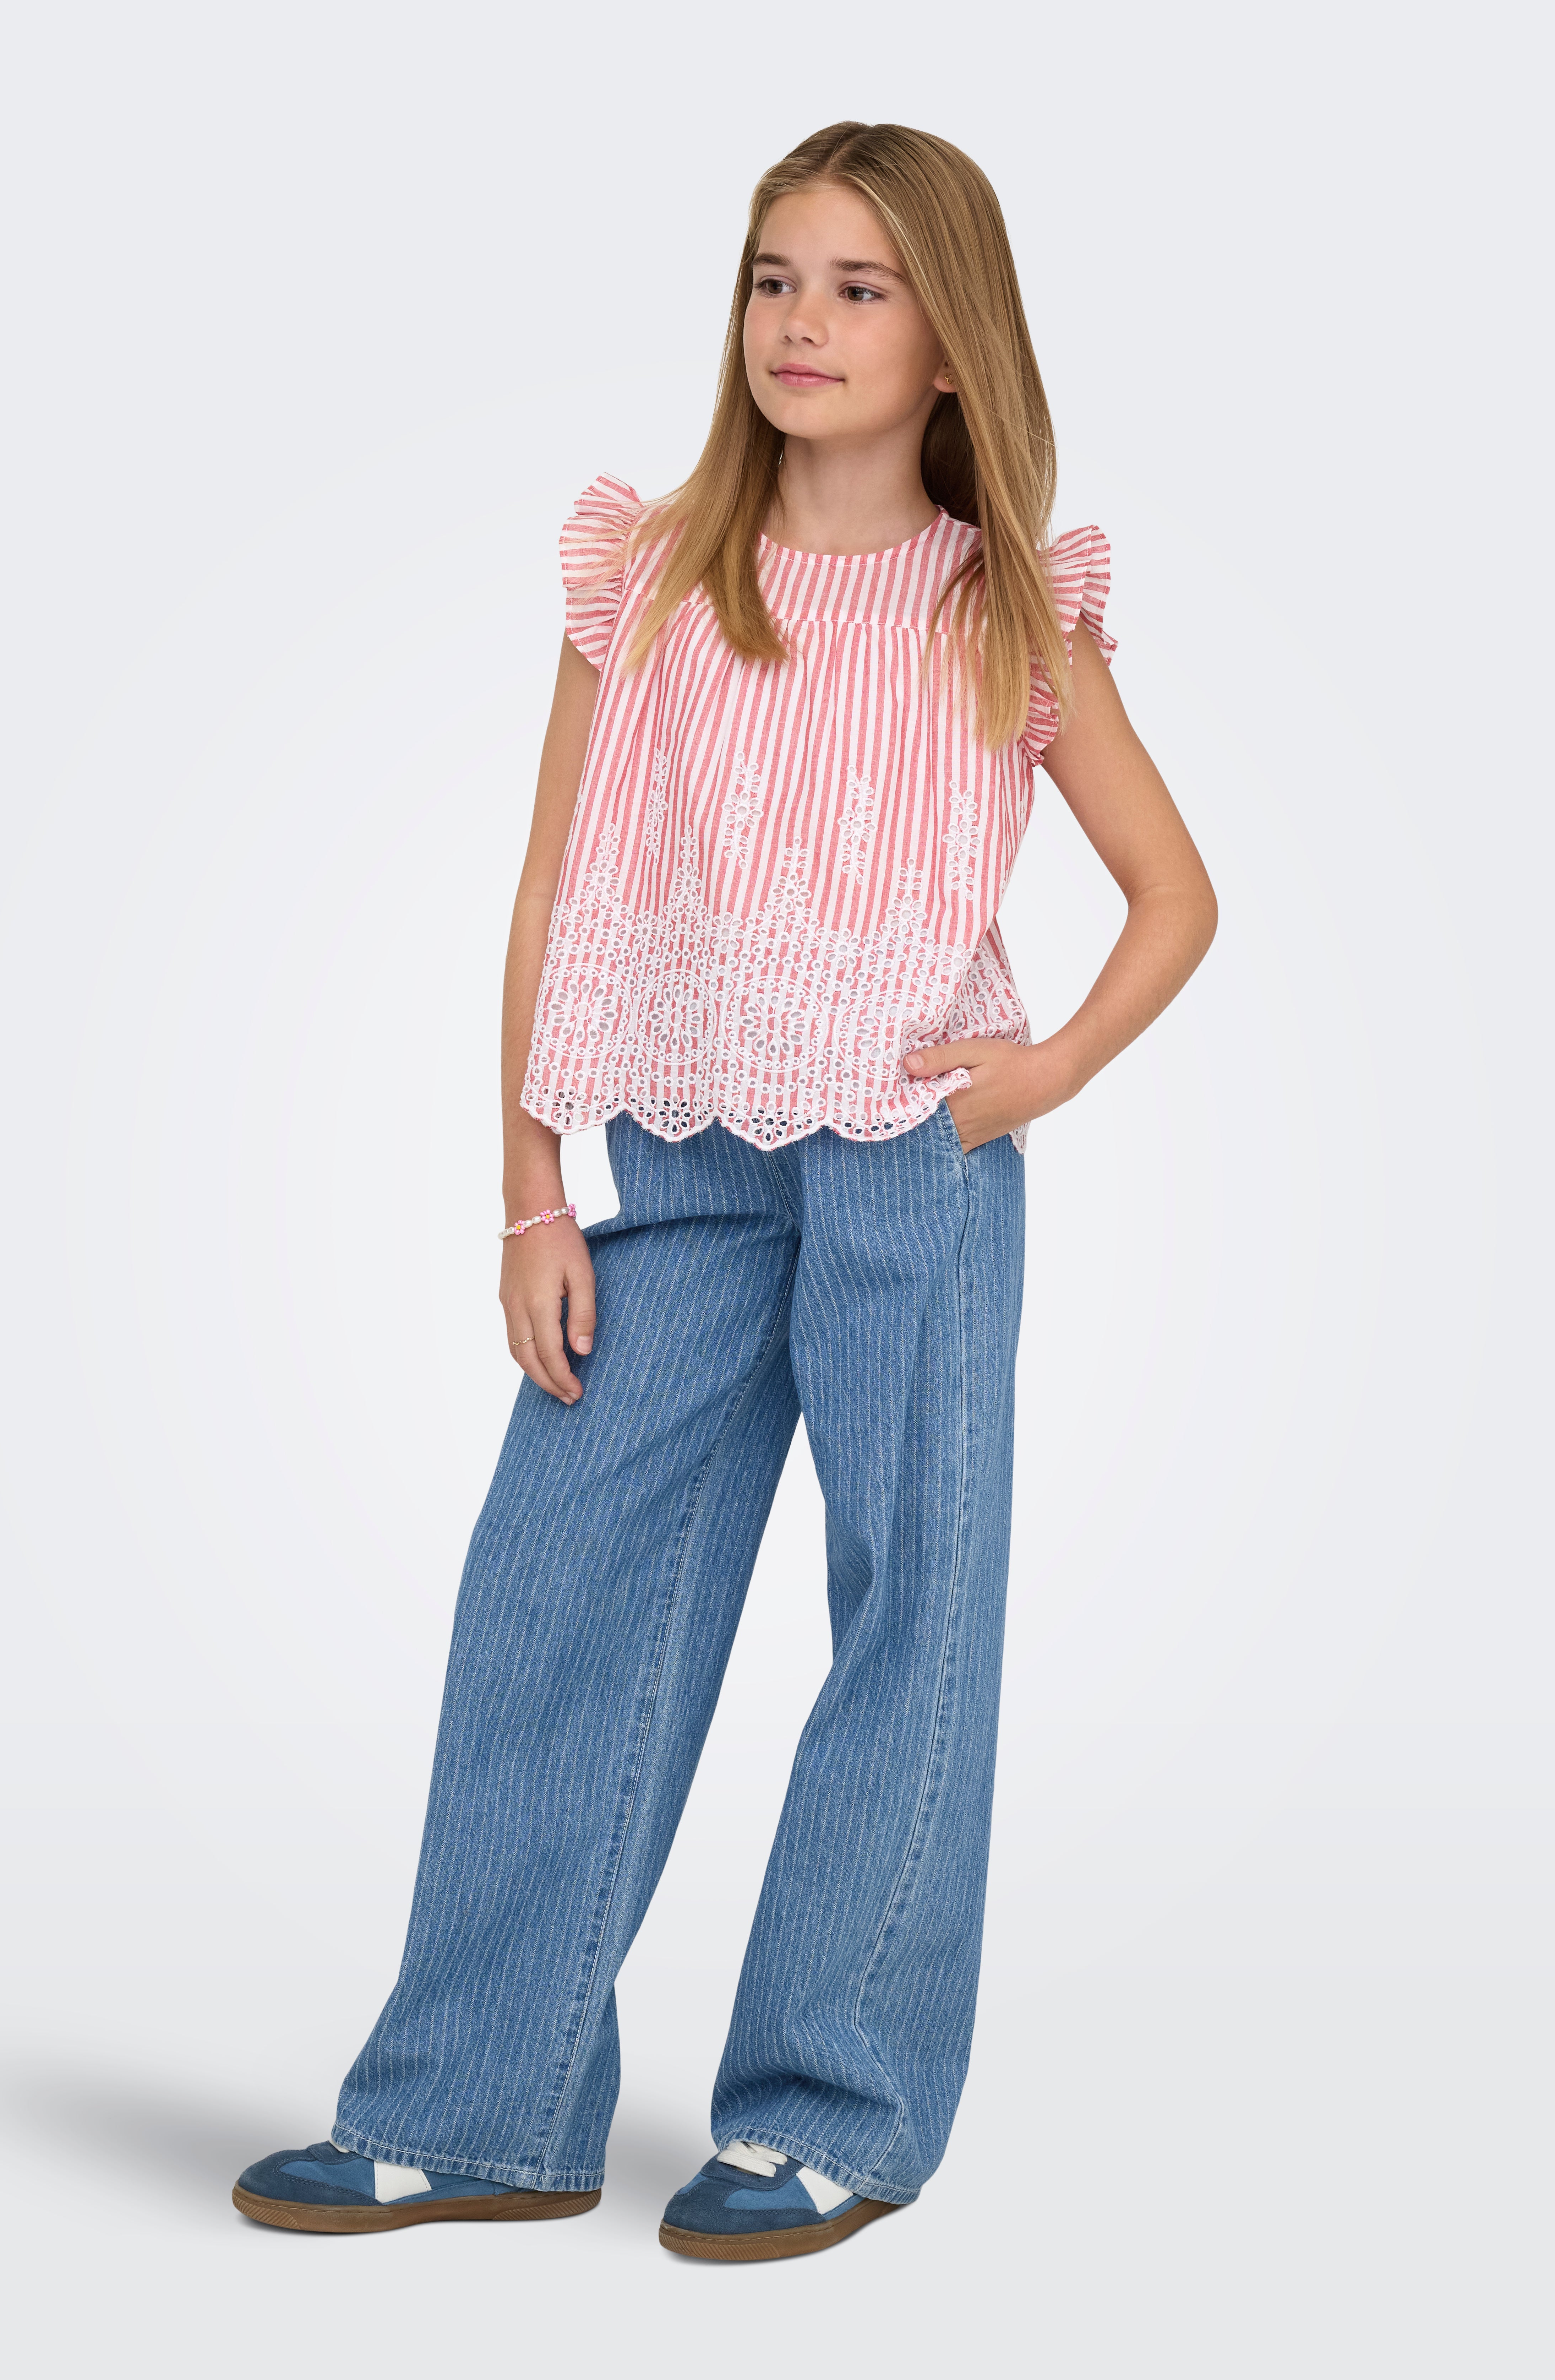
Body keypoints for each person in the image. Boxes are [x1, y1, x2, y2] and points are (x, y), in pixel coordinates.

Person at [233, 118, 1216, 2264]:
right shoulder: (659, 569)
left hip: (907, 1167)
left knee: (907, 1617)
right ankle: (479, 2105)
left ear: (952, 341)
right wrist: (528, 1189)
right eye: (776, 277)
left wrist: (1038, 1073)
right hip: (674, 1156)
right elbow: (555, 885)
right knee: (552, 1594)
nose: (802, 322)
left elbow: (1175, 896)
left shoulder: (1004, 608)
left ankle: (832, 2109)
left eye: (860, 288)